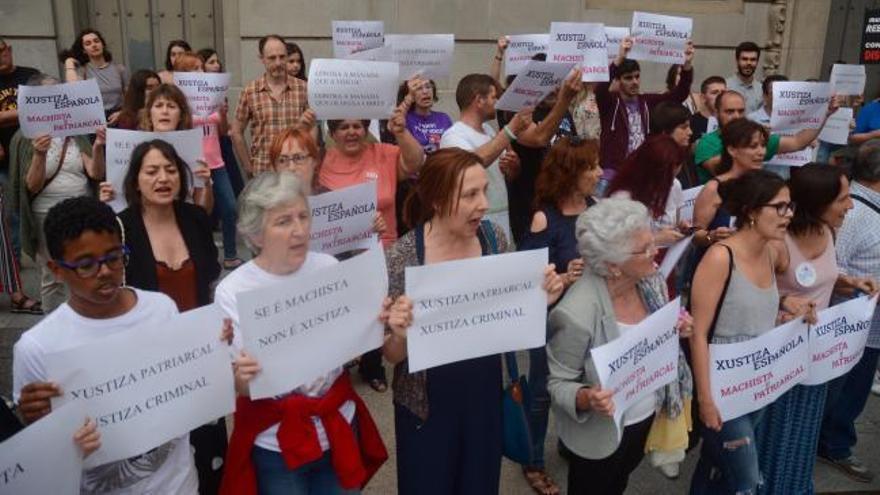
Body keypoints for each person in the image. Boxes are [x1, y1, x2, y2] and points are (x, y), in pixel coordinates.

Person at [382, 147, 563, 494]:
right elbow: (391, 356)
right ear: (436, 199)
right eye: (470, 195)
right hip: (425, 404)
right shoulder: (402, 257)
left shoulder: (493, 239)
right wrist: (400, 333)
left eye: (484, 191)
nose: (483, 203)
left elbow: (509, 317)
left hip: (482, 393)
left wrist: (541, 298)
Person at [216, 171, 389, 494]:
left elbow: (351, 343)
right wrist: (241, 376)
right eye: (283, 221)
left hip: (337, 424)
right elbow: (241, 384)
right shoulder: (233, 291)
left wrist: (373, 321)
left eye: (303, 217)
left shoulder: (326, 266)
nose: (299, 230)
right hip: (277, 444)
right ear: (255, 235)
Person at [13, 195, 200, 493]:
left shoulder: (161, 308)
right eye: (85, 265)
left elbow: (189, 386)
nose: (104, 272)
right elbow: (40, 462)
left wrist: (210, 352)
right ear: (57, 269)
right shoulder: (37, 348)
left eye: (114, 257)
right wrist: (39, 427)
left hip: (179, 485)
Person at [546, 197, 693, 495]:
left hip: (644, 418)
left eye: (652, 242)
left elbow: (658, 334)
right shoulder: (576, 313)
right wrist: (587, 397)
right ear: (613, 266)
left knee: (618, 484)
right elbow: (557, 382)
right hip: (600, 436)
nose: (655, 252)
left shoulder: (650, 282)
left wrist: (678, 328)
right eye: (645, 249)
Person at [758, 163, 877, 493]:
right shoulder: (778, 243)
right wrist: (784, 304)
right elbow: (748, 295)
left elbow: (821, 279)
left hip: (814, 357)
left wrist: (849, 281)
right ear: (817, 201)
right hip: (777, 359)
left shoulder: (828, 231)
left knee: (803, 431)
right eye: (842, 199)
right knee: (773, 433)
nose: (850, 205)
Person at [688, 170, 807, 494]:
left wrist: (787, 308)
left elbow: (751, 307)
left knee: (715, 465)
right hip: (723, 388)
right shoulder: (719, 257)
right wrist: (706, 400)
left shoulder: (770, 251)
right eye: (779, 207)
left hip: (757, 380)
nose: (789, 214)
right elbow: (698, 333)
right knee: (746, 480)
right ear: (752, 211)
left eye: (790, 206)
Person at [516, 137, 602, 495]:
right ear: (570, 172)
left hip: (587, 320)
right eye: (591, 167)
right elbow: (526, 282)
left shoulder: (596, 207)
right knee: (541, 394)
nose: (599, 173)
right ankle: (533, 460)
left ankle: (571, 442)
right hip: (549, 322)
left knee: (577, 385)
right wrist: (565, 278)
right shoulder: (544, 218)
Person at [320, 107, 423, 393]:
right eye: (343, 126)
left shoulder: (384, 153)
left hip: (383, 249)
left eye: (357, 125)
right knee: (344, 311)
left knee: (377, 311)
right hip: (338, 253)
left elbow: (415, 163)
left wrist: (401, 131)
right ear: (332, 132)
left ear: (366, 127)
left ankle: (372, 366)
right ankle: (339, 367)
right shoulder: (322, 161)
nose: (351, 132)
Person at [440, 71, 579, 242]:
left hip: (502, 215)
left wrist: (512, 166)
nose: (497, 102)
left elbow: (507, 174)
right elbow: (468, 165)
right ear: (479, 100)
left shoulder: (489, 131)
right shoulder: (453, 135)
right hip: (475, 219)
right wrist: (511, 129)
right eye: (493, 97)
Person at [10, 73, 106, 312]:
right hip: (46, 214)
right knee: (53, 273)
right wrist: (40, 155)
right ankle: (53, 327)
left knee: (87, 263)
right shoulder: (25, 137)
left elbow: (95, 172)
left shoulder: (75, 132)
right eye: (48, 94)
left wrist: (98, 147)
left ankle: (87, 318)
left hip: (82, 210)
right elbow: (31, 186)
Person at [819, 140, 880, 482]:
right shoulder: (854, 213)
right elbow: (831, 270)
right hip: (850, 329)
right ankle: (833, 445)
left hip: (869, 329)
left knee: (853, 393)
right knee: (842, 393)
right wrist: (864, 287)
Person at [497, 60, 580, 245]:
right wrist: (565, 99)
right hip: (531, 208)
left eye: (556, 82)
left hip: (562, 204)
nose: (553, 89)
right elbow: (538, 138)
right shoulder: (519, 114)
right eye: (547, 84)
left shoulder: (563, 112)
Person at [595, 36, 695, 190]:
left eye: (637, 76)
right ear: (618, 81)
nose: (634, 81)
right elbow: (601, 89)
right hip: (611, 175)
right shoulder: (610, 103)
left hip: (641, 174)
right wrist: (618, 59)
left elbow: (679, 95)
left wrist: (687, 65)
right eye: (628, 78)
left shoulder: (647, 101)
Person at [173, 51, 241, 269]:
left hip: (216, 162)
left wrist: (221, 113)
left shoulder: (213, 95)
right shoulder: (178, 100)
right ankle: (202, 256)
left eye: (201, 67)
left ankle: (230, 254)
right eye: (194, 68)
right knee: (197, 213)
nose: (200, 72)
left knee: (230, 207)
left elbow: (222, 130)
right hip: (191, 164)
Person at [694, 91, 837, 183]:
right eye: (730, 112)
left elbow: (797, 142)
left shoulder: (755, 138)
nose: (736, 116)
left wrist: (824, 113)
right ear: (717, 113)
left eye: (741, 111)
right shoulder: (708, 142)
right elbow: (721, 170)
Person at [232, 34, 311, 175]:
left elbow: (312, 129)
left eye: (282, 56)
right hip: (263, 171)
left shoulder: (303, 88)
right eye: (272, 58)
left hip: (295, 170)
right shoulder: (250, 92)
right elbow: (236, 131)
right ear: (262, 59)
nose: (278, 62)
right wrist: (247, 165)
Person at [608, 135, 688, 248]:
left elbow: (675, 222)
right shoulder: (623, 198)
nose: (669, 183)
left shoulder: (674, 185)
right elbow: (613, 245)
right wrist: (655, 239)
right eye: (666, 178)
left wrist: (679, 228)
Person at [198, 48, 245, 197]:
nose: (216, 65)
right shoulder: (189, 95)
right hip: (201, 155)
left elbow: (223, 129)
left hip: (219, 148)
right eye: (211, 62)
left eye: (217, 61)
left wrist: (223, 115)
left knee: (233, 199)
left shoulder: (219, 90)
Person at [60, 29, 129, 125]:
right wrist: (69, 62)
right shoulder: (82, 71)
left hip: (119, 118)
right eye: (88, 43)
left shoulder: (119, 69)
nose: (94, 45)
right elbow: (73, 92)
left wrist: (122, 113)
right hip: (94, 121)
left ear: (102, 44)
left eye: (96, 41)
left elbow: (130, 96)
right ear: (84, 50)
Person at [0, 37, 39, 174]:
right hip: (4, 157)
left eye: (1, 51)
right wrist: (26, 113)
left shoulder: (31, 75)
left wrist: (5, 118)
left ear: (9, 50)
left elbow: (43, 110)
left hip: (35, 150)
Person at [725, 41, 763, 114]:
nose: (749, 63)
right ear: (737, 61)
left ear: (757, 62)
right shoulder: (725, 86)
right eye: (744, 59)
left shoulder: (762, 90)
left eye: (753, 60)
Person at [690, 76, 726, 144]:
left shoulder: (731, 120)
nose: (720, 96)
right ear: (703, 98)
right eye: (715, 93)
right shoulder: (691, 122)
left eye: (723, 92)